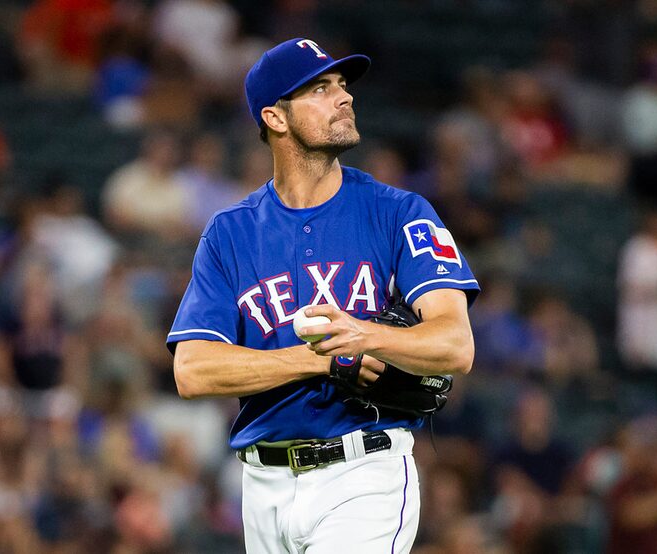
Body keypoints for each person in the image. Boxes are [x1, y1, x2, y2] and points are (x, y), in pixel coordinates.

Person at [166, 38, 480, 553]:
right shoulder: (230, 233)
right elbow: (193, 371)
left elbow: (455, 344)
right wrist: (320, 362)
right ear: (275, 117)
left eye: (342, 85)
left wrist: (363, 333)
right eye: (320, 88)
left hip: (364, 472)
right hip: (262, 486)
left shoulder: (398, 212)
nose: (344, 97)